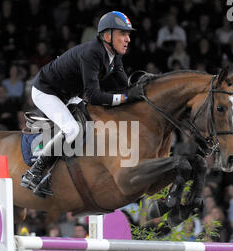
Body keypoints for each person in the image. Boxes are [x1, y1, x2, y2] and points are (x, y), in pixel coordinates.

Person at [20, 11, 144, 197]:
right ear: (107, 36)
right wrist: (126, 98)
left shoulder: (114, 55)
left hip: (69, 93)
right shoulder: (91, 54)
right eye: (122, 34)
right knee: (72, 129)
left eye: (128, 35)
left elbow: (124, 85)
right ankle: (34, 173)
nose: (128, 39)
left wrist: (140, 92)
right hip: (46, 91)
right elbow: (93, 95)